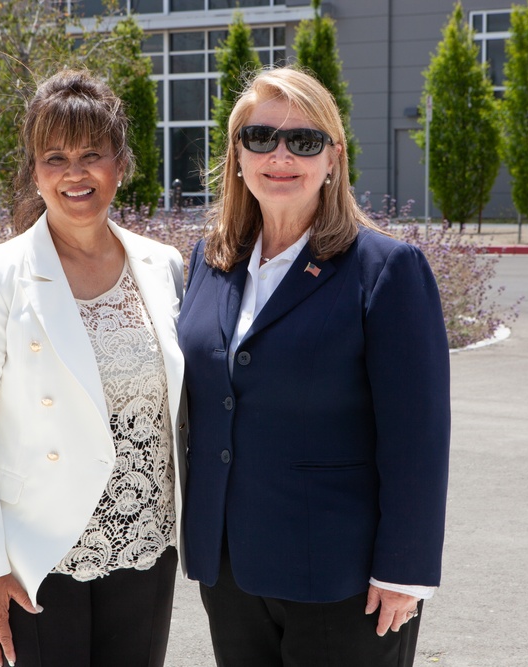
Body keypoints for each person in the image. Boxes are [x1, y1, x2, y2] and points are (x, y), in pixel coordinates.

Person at [178, 66, 451, 666]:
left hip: (344, 579)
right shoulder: (210, 260)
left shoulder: (386, 269)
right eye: (260, 138)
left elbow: (418, 437)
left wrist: (405, 569)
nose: (280, 155)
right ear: (237, 155)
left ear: (333, 158)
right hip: (230, 569)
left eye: (302, 141)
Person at [0, 69, 187, 667]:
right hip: (39, 558)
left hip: (147, 545)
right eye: (56, 157)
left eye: (92, 154)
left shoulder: (164, 266)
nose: (75, 174)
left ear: (120, 163)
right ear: (35, 173)